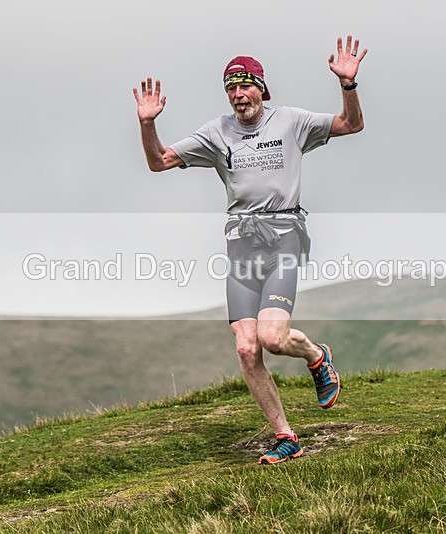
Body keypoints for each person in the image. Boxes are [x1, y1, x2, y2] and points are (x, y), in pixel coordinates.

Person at [134, 35, 367, 464]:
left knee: (273, 338)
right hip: (242, 242)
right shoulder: (216, 133)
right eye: (231, 88)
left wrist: (348, 85)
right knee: (246, 347)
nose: (239, 95)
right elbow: (158, 162)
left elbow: (351, 125)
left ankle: (316, 356)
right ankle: (285, 435)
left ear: (262, 88)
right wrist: (148, 124)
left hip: (284, 237)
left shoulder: (291, 121)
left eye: (246, 85)